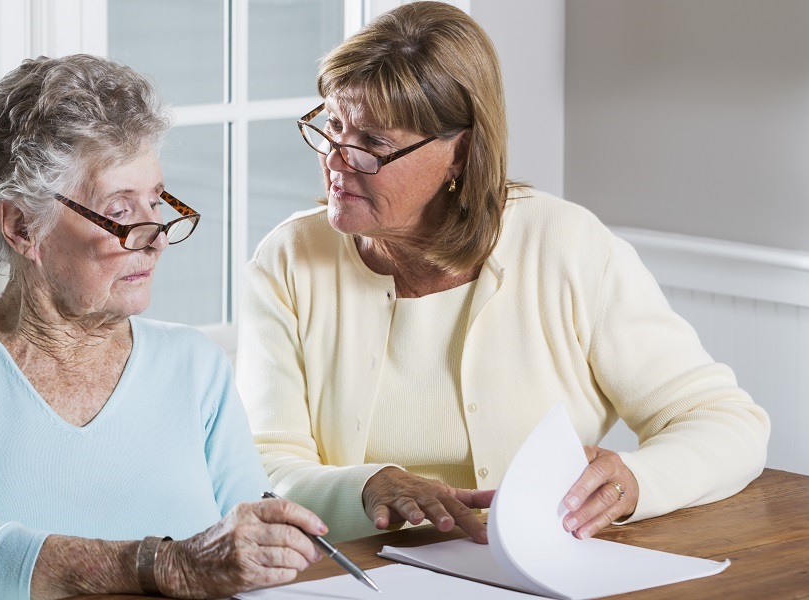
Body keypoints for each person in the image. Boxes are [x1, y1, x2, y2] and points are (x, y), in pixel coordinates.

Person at [237, 1, 770, 545]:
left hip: (540, 568)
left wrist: (636, 480)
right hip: (356, 575)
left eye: (373, 143)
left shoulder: (565, 246)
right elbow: (261, 462)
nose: (335, 159)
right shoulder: (289, 259)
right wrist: (367, 486)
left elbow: (725, 422)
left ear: (461, 153)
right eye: (332, 126)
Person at [0, 54, 325, 600]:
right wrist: (168, 566)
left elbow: (254, 558)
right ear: (22, 225)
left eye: (157, 201)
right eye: (121, 211)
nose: (157, 236)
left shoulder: (193, 364)